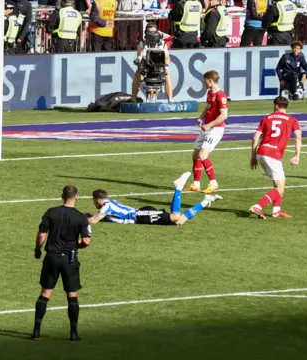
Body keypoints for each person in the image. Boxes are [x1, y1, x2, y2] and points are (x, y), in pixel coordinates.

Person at [32, 185, 91, 341]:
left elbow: (41, 235)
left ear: (62, 196)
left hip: (52, 257)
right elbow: (86, 241)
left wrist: (37, 250)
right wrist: (74, 245)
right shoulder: (81, 217)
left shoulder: (51, 212)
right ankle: (73, 333)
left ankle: (36, 331)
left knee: (45, 293)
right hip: (69, 259)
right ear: (76, 197)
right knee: (72, 295)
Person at [87, 173, 222, 226]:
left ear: (97, 200)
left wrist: (77, 219)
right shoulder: (109, 204)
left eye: (94, 201)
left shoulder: (106, 206)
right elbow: (101, 217)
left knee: (175, 217)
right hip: (141, 216)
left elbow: (94, 220)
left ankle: (178, 186)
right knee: (180, 221)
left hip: (139, 215)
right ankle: (206, 201)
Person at [249, 96, 302, 219]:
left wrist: (253, 156)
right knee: (280, 187)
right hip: (273, 154)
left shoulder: (267, 117)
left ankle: (276, 210)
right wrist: (296, 155)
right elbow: (298, 138)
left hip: (261, 152)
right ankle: (258, 206)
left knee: (280, 182)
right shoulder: (292, 120)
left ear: (276, 105)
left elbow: (255, 137)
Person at [184, 70, 227, 194]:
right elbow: (208, 107)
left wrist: (209, 125)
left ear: (210, 81)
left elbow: (224, 115)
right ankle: (196, 184)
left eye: (205, 81)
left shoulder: (221, 96)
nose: (204, 84)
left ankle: (213, 183)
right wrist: (201, 117)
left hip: (216, 129)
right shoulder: (210, 93)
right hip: (207, 128)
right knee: (196, 155)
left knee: (203, 154)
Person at [132, 22, 174, 103]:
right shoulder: (142, 44)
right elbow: (139, 57)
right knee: (138, 74)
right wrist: (139, 60)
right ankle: (133, 98)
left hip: (159, 67)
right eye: (149, 33)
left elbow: (168, 58)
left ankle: (170, 99)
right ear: (146, 33)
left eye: (153, 32)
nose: (151, 35)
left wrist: (166, 63)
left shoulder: (162, 44)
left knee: (167, 75)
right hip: (146, 67)